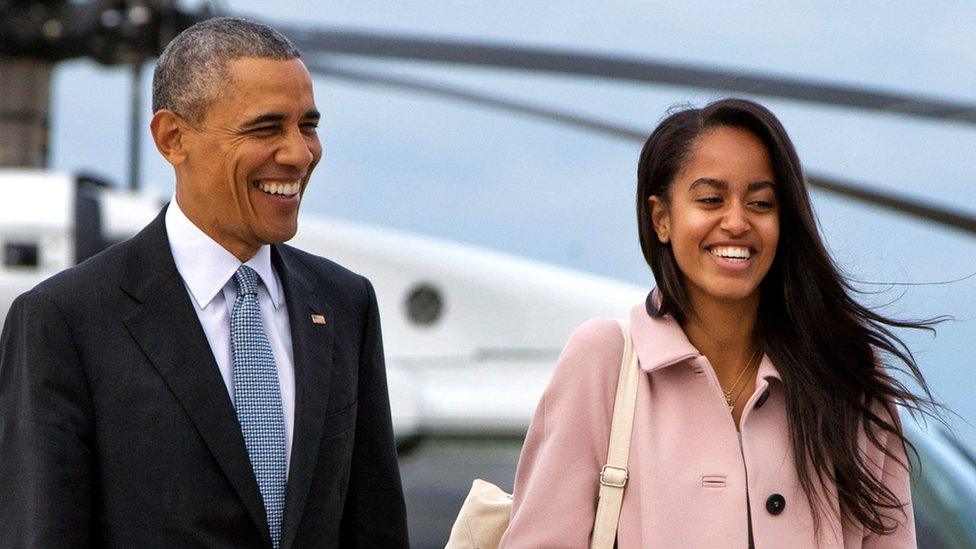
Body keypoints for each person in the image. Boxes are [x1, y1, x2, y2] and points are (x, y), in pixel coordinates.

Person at [0, 17, 408, 548]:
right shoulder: (65, 320)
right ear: (173, 138)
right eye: (266, 128)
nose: (299, 153)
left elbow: (373, 527)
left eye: (307, 126)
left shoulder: (344, 303)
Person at [500, 98, 933, 547]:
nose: (736, 221)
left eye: (760, 203)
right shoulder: (605, 361)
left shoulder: (849, 374)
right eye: (711, 200)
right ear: (661, 219)